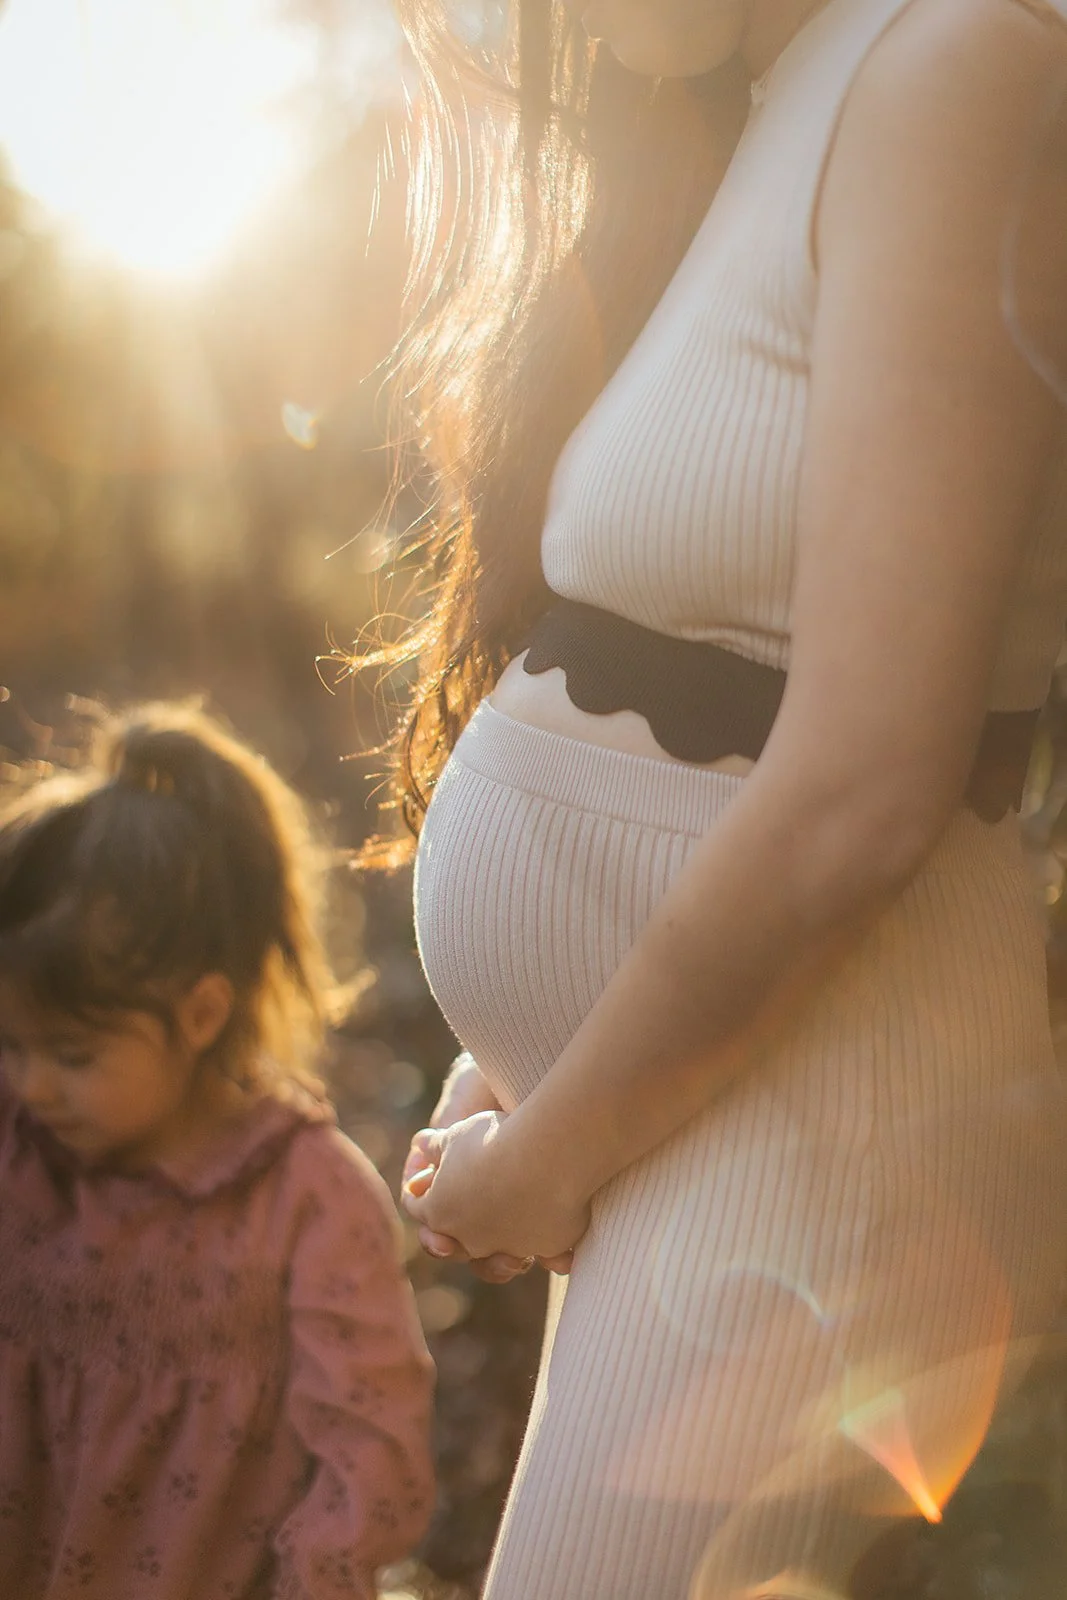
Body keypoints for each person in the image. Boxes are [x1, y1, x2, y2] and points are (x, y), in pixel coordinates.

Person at [376, 0, 1067, 1595]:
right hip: (712, 1124)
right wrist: (518, 1065)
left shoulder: (958, 64)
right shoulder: (789, 97)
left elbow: (863, 779)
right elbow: (706, 667)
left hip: (827, 1145)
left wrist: (547, 1152)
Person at [0, 701, 435, 1600]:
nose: (33, 1083)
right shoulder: (22, 1154)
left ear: (201, 1014)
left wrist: (318, 1574)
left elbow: (369, 1436)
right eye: (10, 1045)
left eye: (73, 1055)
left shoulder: (304, 1199)